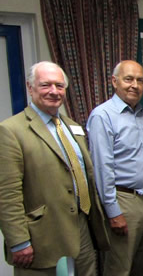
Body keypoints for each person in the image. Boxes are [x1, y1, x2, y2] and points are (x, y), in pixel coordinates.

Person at [0, 61, 110, 275]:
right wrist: (19, 242)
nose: (54, 91)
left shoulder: (72, 126)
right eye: (45, 85)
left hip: (82, 227)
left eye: (59, 86)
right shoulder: (11, 131)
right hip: (42, 236)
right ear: (30, 88)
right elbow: (7, 194)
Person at [87, 60, 143, 276]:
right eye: (128, 79)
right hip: (124, 202)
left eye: (140, 80)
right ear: (115, 82)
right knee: (120, 269)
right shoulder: (102, 116)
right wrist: (113, 212)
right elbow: (102, 169)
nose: (135, 85)